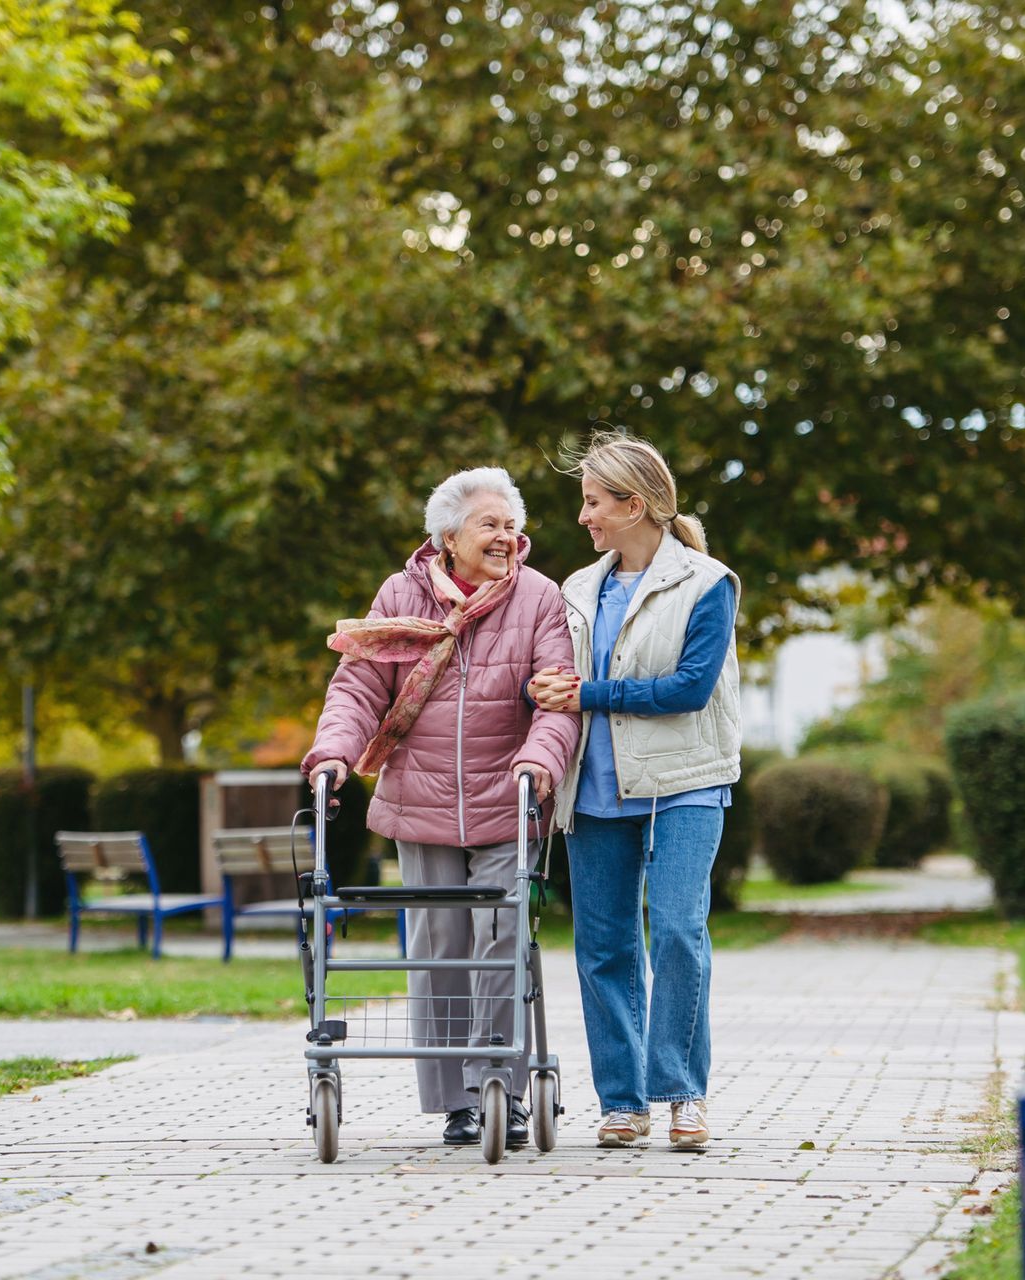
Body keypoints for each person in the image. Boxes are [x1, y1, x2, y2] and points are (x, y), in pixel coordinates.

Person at [304, 467, 580, 1149]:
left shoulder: (539, 599)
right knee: (439, 950)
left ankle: (501, 1088)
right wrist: (334, 752)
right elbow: (359, 684)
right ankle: (458, 1101)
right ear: (447, 537)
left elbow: (557, 701)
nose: (505, 538)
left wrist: (540, 762)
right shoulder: (403, 595)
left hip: (507, 798)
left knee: (503, 940)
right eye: (490, 525)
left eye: (512, 527)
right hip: (419, 799)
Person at [528, 430, 741, 1151]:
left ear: (636, 504)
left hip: (686, 779)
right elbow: (559, 677)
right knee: (605, 947)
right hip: (597, 784)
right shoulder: (576, 590)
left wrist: (585, 693)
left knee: (679, 929)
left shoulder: (709, 583)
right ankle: (623, 1102)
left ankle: (682, 1092)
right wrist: (546, 687)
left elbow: (689, 688)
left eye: (593, 503)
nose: (583, 518)